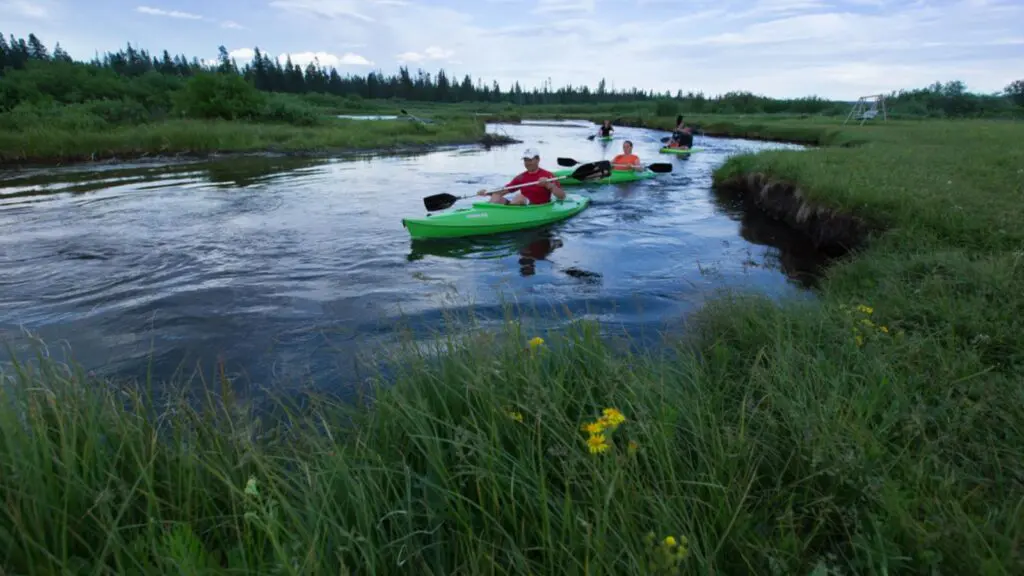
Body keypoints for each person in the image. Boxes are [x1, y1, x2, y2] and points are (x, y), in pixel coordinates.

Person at [477, 148, 565, 206]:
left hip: (538, 208)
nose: (527, 163)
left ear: (538, 160)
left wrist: (550, 185)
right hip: (521, 207)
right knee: (496, 195)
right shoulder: (521, 177)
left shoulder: (548, 175)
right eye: (525, 160)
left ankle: (507, 215)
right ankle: (487, 214)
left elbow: (562, 196)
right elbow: (505, 190)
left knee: (520, 196)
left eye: (530, 160)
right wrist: (487, 192)